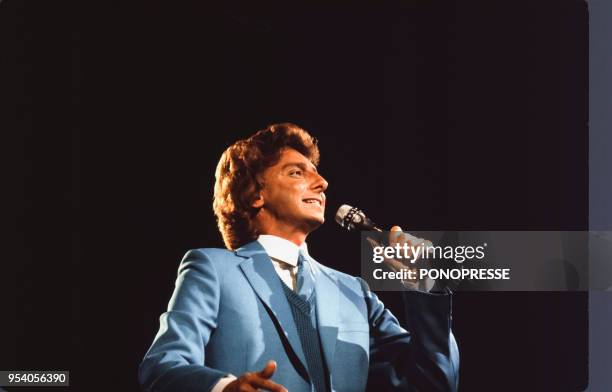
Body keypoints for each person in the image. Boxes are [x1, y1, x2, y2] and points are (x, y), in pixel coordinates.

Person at [138, 123, 459, 392]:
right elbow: (162, 365)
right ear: (254, 194)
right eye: (296, 172)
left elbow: (434, 382)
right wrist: (224, 387)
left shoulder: (355, 292)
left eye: (317, 174)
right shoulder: (212, 269)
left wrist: (424, 285)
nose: (322, 183)